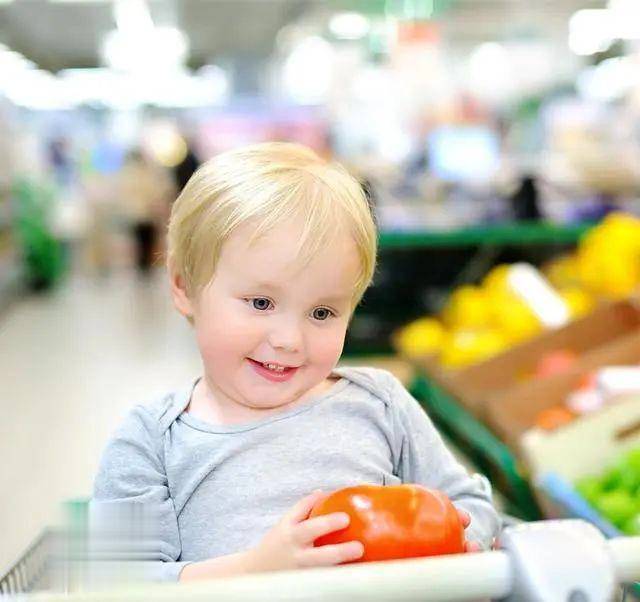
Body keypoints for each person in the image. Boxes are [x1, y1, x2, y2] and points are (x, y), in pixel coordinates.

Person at [91, 142, 500, 583]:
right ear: (183, 286)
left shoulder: (379, 405)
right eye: (261, 302)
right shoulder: (151, 440)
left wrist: (460, 545)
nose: (289, 340)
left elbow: (466, 503)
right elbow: (117, 583)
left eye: (322, 313)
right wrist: (253, 571)